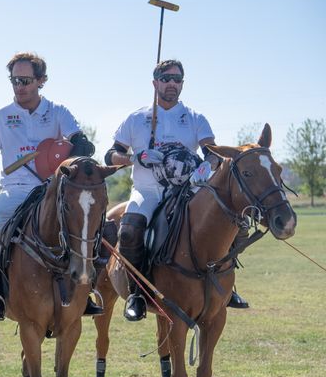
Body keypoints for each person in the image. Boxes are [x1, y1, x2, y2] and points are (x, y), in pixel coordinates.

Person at [105, 59, 245, 321]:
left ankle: (227, 286)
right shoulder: (136, 118)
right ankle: (136, 293)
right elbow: (110, 155)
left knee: (230, 221)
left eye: (177, 79)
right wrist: (136, 158)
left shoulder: (195, 118)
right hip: (148, 190)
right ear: (155, 82)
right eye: (165, 78)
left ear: (182, 84)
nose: (171, 83)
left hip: (188, 189)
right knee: (131, 229)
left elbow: (211, 154)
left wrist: (206, 169)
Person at [0, 52, 97, 321]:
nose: (19, 87)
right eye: (14, 80)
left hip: (52, 189)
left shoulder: (58, 112)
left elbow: (84, 146)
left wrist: (59, 154)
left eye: (25, 80)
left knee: (95, 226)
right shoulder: (1, 117)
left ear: (41, 81)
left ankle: (87, 290)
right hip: (14, 190)